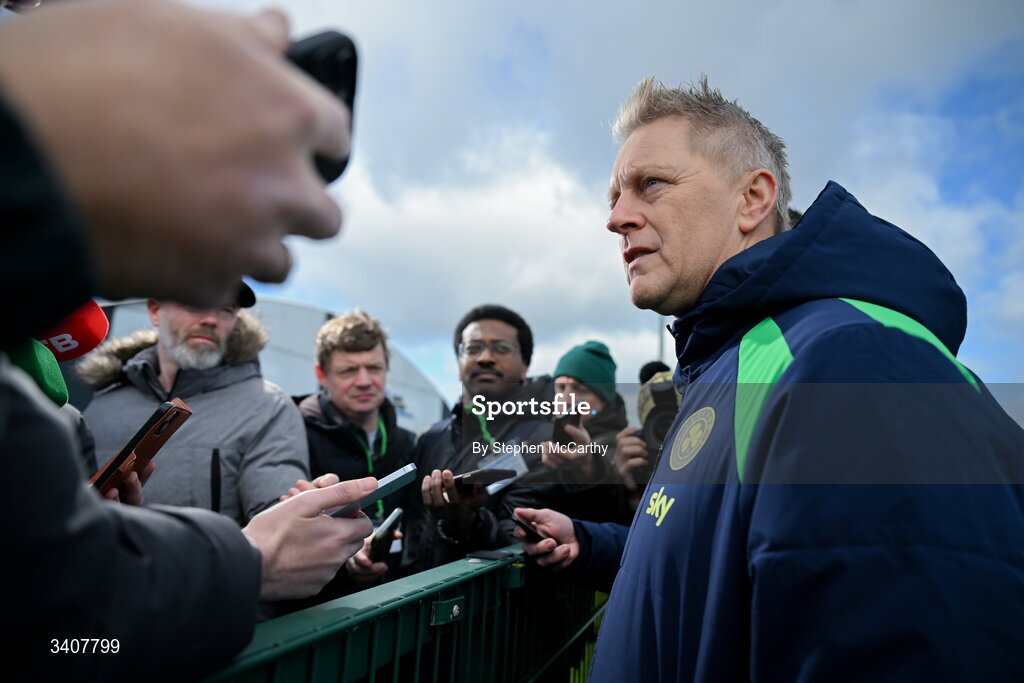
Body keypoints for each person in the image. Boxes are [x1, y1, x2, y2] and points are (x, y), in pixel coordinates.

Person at [516, 76, 1024, 681]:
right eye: (614, 197)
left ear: (753, 199)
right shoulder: (734, 366)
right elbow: (717, 565)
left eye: (650, 184)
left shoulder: (849, 361)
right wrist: (592, 543)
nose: (617, 218)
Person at [0, 1, 373, 679]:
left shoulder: (266, 404)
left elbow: (47, 597)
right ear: (150, 301)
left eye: (228, 303)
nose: (212, 308)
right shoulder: (89, 388)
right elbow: (51, 609)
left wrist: (286, 527)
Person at [79, 284, 309, 526]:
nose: (210, 319)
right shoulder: (101, 409)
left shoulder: (267, 407)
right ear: (155, 311)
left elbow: (279, 522)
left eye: (226, 309)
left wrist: (304, 511)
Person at [399, 304, 557, 574]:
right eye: (472, 348)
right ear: (459, 363)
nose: (485, 357)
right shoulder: (431, 437)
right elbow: (412, 534)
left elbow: (522, 543)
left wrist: (466, 524)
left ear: (524, 367)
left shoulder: (543, 441)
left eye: (501, 348)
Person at [293, 309, 416, 589]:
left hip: (396, 601)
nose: (364, 381)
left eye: (374, 368)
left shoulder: (408, 442)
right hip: (321, 612)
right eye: (348, 370)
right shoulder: (295, 433)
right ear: (321, 375)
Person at [539, 341, 631, 524]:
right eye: (561, 387)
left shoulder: (618, 445)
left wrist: (587, 466)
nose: (567, 399)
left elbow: (612, 500)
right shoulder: (540, 435)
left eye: (581, 390)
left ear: (604, 401)